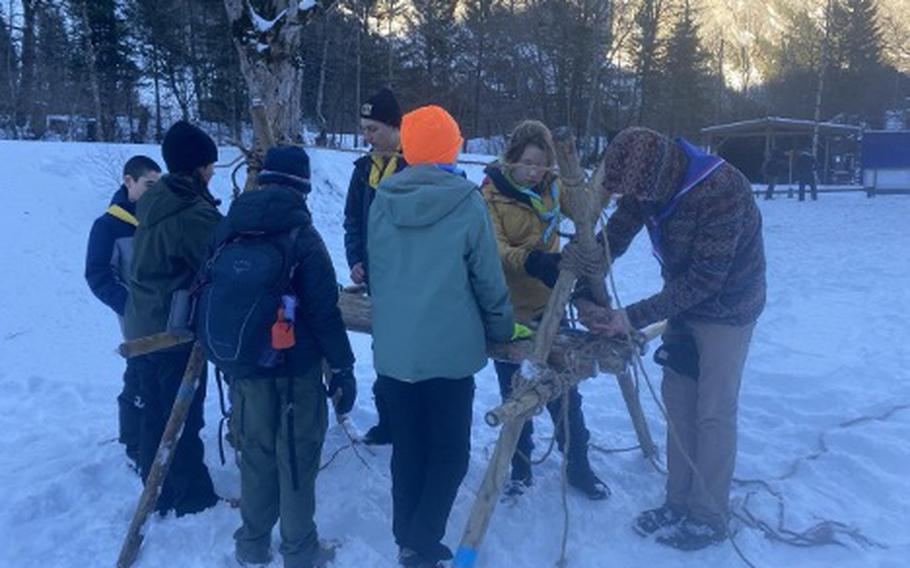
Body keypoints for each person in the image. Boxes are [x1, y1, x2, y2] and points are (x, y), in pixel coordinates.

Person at [576, 127, 766, 551]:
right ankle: (678, 502)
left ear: (663, 174)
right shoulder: (648, 182)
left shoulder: (721, 189)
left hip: (729, 310)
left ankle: (709, 516)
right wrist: (583, 287)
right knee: (680, 404)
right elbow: (615, 236)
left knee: (712, 412)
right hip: (681, 304)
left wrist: (630, 317)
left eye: (643, 194)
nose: (639, 201)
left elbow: (706, 280)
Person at [368, 105, 513, 568]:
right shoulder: (466, 201)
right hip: (450, 355)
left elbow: (378, 272)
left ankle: (406, 536)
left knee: (408, 448)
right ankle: (422, 542)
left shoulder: (382, 198)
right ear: (453, 147)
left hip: (394, 353)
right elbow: (488, 279)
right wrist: (503, 328)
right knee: (449, 453)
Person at [212, 146, 357, 568]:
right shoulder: (304, 237)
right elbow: (324, 309)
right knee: (295, 458)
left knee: (256, 453)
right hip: (297, 368)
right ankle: (299, 550)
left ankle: (252, 545)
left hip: (245, 366)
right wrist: (343, 369)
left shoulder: (229, 227)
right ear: (304, 188)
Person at [480, 120, 609, 500]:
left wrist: (583, 177)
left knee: (563, 390)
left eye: (542, 164)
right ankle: (520, 467)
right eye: (529, 163)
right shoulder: (490, 195)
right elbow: (495, 248)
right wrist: (534, 261)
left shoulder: (551, 186)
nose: (535, 171)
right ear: (512, 159)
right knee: (514, 392)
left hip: (550, 307)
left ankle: (579, 466)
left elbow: (587, 210)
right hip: (507, 309)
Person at [123, 120, 222, 517]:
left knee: (156, 412)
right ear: (197, 167)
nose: (213, 171)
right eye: (209, 165)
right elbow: (219, 259)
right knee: (182, 416)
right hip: (171, 329)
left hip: (143, 324)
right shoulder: (189, 213)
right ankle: (191, 495)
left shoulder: (158, 199)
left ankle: (158, 487)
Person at [85, 155, 161, 466]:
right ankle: (133, 443)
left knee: (158, 375)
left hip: (168, 313)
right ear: (128, 181)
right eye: (149, 185)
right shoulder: (108, 226)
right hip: (136, 318)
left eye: (159, 185)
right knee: (139, 377)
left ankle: (157, 433)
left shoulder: (158, 217)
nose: (154, 192)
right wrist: (130, 307)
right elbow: (98, 274)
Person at [343, 87, 408, 446]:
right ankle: (387, 421)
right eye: (365, 129)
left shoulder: (414, 164)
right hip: (376, 279)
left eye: (374, 129)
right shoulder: (363, 169)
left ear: (395, 128)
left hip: (409, 277)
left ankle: (409, 419)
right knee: (382, 350)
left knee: (408, 350)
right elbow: (352, 218)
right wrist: (355, 258)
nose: (367, 137)